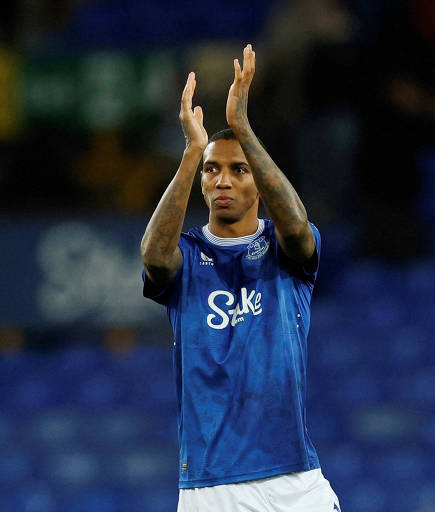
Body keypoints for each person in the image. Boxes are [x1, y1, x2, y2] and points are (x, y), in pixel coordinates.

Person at [140, 44, 340, 511]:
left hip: (294, 479)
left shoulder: (285, 249)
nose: (222, 180)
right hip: (211, 487)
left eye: (237, 169)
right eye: (213, 170)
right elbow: (152, 257)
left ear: (259, 180)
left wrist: (244, 130)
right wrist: (192, 153)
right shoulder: (186, 256)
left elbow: (294, 221)